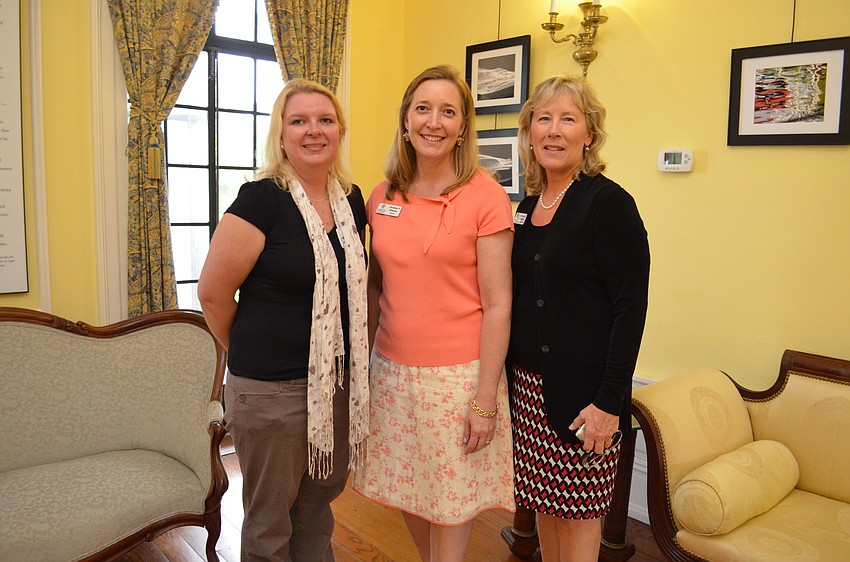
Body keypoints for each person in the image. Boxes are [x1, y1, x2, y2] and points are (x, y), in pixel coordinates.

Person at [197, 78, 369, 562]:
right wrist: (256, 355)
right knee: (270, 524)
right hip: (270, 394)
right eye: (299, 121)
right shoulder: (261, 200)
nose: (313, 131)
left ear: (339, 131)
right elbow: (212, 295)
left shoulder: (352, 201)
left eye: (324, 120)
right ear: (281, 135)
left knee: (316, 512)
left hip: (334, 387)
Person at [353, 65, 515, 562]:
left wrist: (485, 398)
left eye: (449, 111)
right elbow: (375, 282)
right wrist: (361, 364)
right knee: (411, 493)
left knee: (450, 506)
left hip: (457, 379)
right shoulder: (383, 195)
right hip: (392, 370)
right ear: (405, 120)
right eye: (423, 108)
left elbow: (499, 303)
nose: (434, 121)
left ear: (464, 126)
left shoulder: (485, 195)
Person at [507, 75, 650, 562]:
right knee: (546, 508)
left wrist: (610, 401)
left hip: (586, 397)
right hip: (528, 392)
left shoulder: (609, 204)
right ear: (529, 132)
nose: (553, 130)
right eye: (543, 119)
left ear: (589, 134)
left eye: (568, 119)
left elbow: (630, 309)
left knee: (581, 517)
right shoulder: (527, 208)